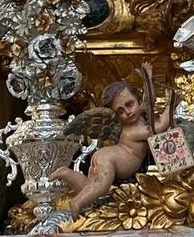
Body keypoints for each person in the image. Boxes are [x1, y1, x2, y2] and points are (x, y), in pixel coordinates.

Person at [52, 62, 174, 218]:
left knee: (93, 187)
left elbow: (149, 100)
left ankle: (66, 173)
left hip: (106, 155)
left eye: (130, 104)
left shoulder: (140, 115)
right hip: (115, 159)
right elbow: (161, 126)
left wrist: (148, 78)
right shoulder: (133, 131)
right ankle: (77, 203)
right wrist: (171, 104)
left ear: (136, 100)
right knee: (101, 187)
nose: (128, 113)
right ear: (115, 116)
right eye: (120, 111)